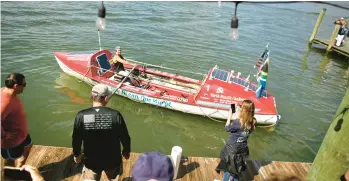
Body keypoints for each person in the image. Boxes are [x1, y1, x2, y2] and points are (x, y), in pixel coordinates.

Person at [72, 83, 131, 181]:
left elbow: (76, 138)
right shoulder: (115, 115)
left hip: (91, 161)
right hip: (113, 160)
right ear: (106, 98)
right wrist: (126, 150)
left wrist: (77, 154)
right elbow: (124, 136)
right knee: (114, 178)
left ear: (92, 96)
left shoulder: (82, 115)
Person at [215, 100, 257, 181]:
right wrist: (239, 114)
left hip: (232, 150)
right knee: (237, 168)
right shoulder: (253, 122)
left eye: (241, 108)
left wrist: (229, 116)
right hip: (242, 149)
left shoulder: (237, 123)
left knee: (229, 168)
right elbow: (247, 124)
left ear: (243, 110)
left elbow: (227, 128)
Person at [1, 73, 33, 168]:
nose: (25, 86)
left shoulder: (6, 91)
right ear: (16, 86)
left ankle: (19, 168)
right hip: (12, 140)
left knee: (28, 145)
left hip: (21, 133)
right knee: (10, 161)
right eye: (24, 85)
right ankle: (10, 174)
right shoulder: (5, 103)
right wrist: (5, 135)